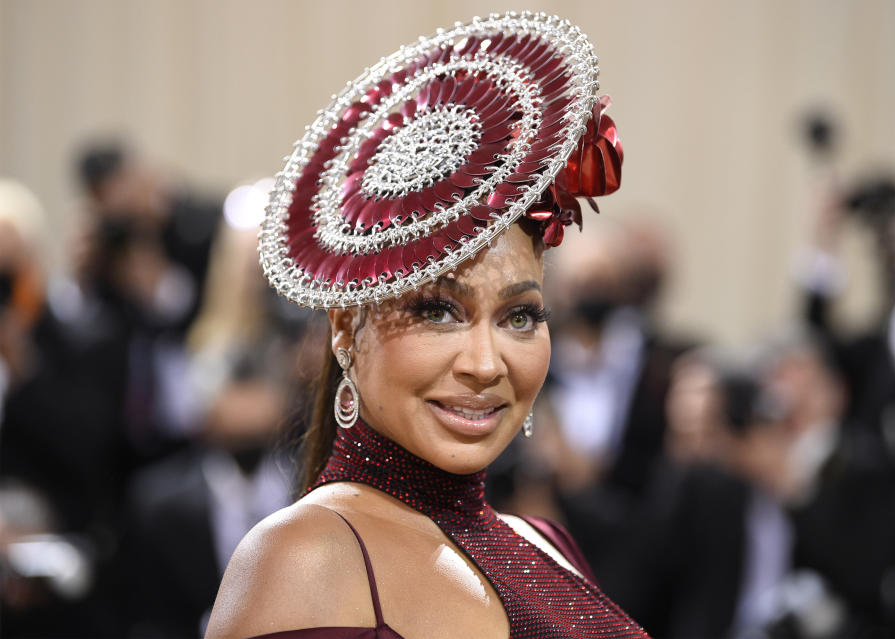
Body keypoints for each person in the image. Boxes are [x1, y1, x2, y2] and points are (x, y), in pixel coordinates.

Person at [206, 12, 647, 639]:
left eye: (520, 316)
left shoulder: (546, 543)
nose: (486, 363)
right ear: (342, 329)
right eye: (438, 310)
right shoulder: (306, 559)